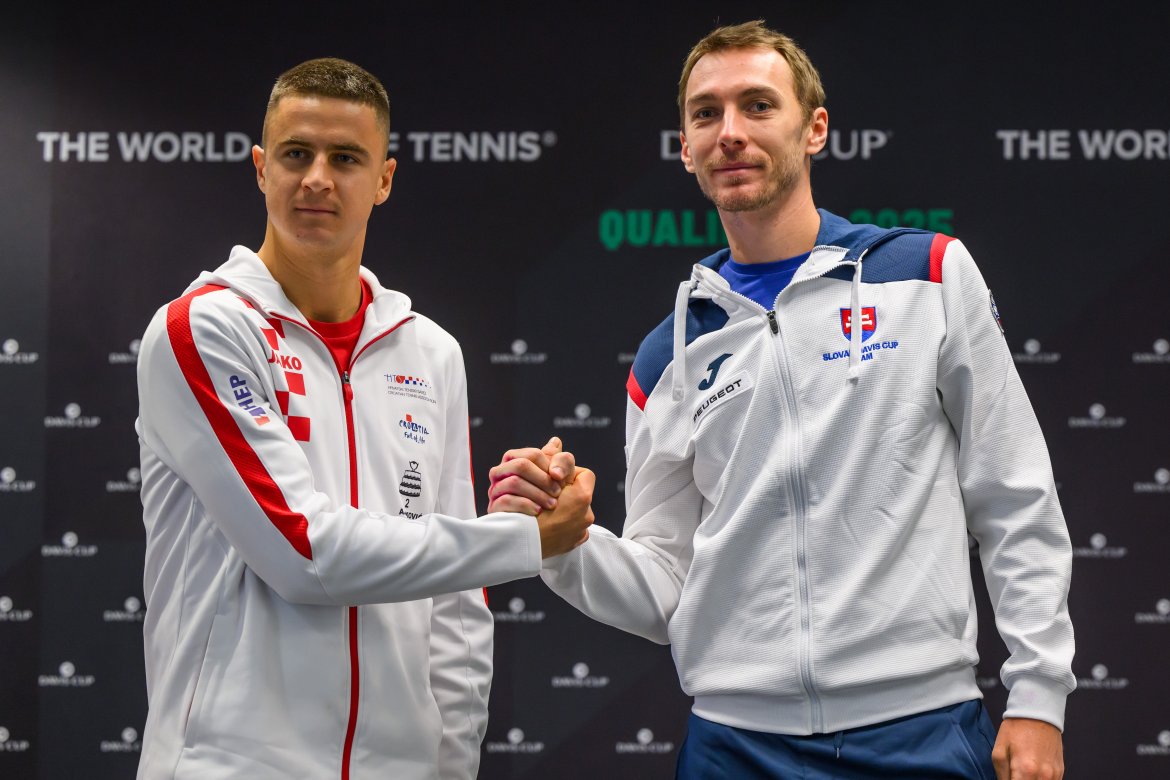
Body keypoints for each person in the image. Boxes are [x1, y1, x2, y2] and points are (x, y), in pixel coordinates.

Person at [489, 20, 1073, 780]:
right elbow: (664, 585)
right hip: (735, 747)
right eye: (707, 114)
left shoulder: (926, 275)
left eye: (758, 105)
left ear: (814, 128)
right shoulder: (668, 355)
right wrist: (561, 546)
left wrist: (1038, 696)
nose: (730, 132)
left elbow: (1015, 495)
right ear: (686, 146)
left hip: (919, 732)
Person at [134, 57, 593, 780]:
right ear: (260, 168)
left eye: (345, 158)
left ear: (383, 179)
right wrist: (520, 542)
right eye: (295, 154)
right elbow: (306, 554)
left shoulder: (430, 350)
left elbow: (457, 610)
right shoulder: (203, 329)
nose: (317, 177)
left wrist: (448, 766)